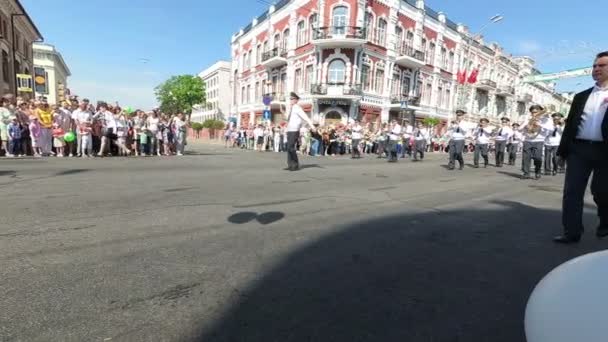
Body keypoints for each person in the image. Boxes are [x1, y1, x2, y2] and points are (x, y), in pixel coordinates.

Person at [554, 51, 608, 244]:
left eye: (602, 66)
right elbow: (570, 127)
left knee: (602, 191)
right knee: (572, 191)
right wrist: (562, 152)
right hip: (579, 149)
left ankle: (605, 219)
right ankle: (571, 232)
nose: (596, 69)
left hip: (605, 152)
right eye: (595, 66)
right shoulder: (581, 96)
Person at [280, 92, 314, 171]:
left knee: (290, 147)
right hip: (289, 130)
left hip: (294, 130)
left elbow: (306, 117)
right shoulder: (291, 108)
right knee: (289, 148)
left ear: (296, 100)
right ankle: (290, 165)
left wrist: (312, 126)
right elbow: (287, 119)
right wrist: (283, 113)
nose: (290, 100)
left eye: (292, 99)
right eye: (290, 99)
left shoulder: (297, 108)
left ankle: (295, 164)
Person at [519, 105, 551, 179]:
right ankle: (526, 173)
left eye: (536, 112)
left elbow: (551, 129)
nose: (534, 114)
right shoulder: (528, 119)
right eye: (533, 112)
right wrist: (525, 124)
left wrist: (540, 124)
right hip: (527, 140)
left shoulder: (545, 120)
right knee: (526, 158)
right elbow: (519, 129)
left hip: (539, 140)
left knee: (537, 158)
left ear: (540, 112)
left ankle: (537, 171)